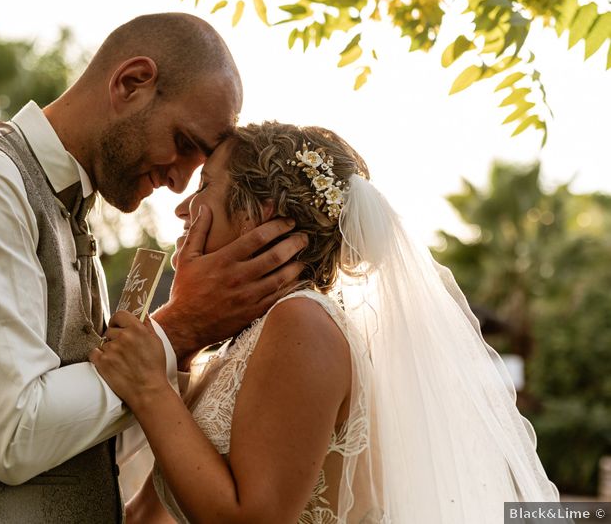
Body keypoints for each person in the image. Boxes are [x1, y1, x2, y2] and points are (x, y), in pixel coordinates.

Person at [0, 14, 308, 523]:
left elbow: (91, 436)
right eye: (184, 143)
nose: (182, 181)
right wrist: (179, 328)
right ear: (131, 82)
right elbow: (12, 437)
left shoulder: (70, 211)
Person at [91, 121, 561, 523]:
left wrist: (151, 388)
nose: (182, 209)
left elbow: (252, 519)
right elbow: (147, 514)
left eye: (206, 186)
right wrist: (183, 337)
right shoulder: (238, 342)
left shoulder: (303, 323)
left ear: (263, 213)